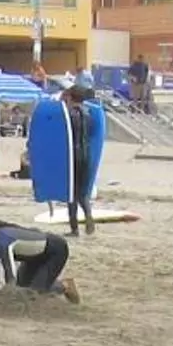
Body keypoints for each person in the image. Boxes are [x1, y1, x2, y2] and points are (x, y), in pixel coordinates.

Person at [0, 206, 78, 302]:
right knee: (23, 289)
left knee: (33, 293)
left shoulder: (2, 239)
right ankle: (51, 285)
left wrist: (7, 292)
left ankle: (65, 286)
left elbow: (9, 271)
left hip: (55, 250)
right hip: (34, 256)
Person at [61, 85, 98, 236]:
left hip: (73, 156)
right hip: (86, 155)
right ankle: (88, 215)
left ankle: (74, 228)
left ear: (70, 97)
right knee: (82, 193)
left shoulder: (68, 115)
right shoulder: (89, 114)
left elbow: (63, 136)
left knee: (71, 193)